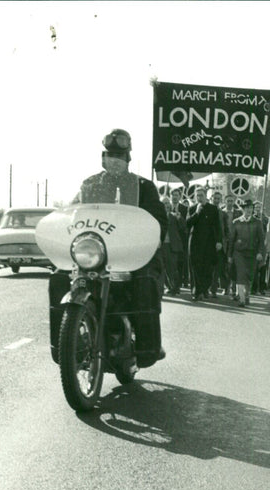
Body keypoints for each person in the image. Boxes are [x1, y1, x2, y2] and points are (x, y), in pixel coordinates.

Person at [56, 128, 168, 368]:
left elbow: (158, 218)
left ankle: (148, 347)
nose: (114, 161)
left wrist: (155, 235)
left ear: (128, 159)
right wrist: (65, 226)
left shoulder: (144, 187)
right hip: (97, 252)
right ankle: (63, 346)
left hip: (132, 252)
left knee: (145, 279)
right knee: (58, 277)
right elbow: (74, 212)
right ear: (103, 159)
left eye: (119, 157)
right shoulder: (90, 184)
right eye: (110, 156)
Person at [186, 187, 223, 301]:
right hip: (195, 242)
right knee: (195, 266)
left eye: (201, 195)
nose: (199, 198)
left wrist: (219, 241)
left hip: (208, 242)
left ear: (206, 196)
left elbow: (217, 227)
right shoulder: (192, 208)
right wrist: (196, 213)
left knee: (207, 267)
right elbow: (188, 223)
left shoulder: (212, 209)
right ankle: (196, 291)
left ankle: (204, 289)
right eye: (197, 196)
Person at [228, 198, 265, 307]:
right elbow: (231, 240)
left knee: (250, 276)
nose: (249, 210)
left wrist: (260, 253)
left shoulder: (258, 222)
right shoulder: (236, 222)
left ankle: (247, 294)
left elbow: (261, 240)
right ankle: (242, 299)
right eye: (247, 208)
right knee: (241, 274)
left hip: (252, 253)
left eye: (251, 208)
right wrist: (230, 255)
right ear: (243, 209)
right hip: (239, 252)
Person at [162, 196, 185, 295]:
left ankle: (175, 287)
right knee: (164, 268)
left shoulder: (174, 216)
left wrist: (180, 218)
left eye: (167, 203)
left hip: (172, 246)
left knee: (172, 268)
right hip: (162, 245)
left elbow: (183, 227)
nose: (166, 205)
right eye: (163, 203)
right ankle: (168, 286)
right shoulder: (158, 216)